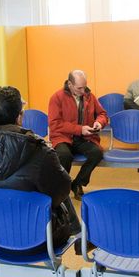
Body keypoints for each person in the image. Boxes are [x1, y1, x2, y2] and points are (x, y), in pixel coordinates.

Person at [0, 86, 80, 250]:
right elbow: (62, 190)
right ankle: (79, 236)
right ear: (19, 117)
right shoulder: (38, 148)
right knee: (55, 183)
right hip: (38, 233)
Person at [47, 70, 107, 199]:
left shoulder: (90, 96)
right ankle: (62, 187)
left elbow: (102, 114)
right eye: (79, 88)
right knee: (64, 155)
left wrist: (99, 123)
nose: (83, 91)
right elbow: (55, 124)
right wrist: (79, 129)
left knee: (97, 153)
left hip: (84, 138)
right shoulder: (56, 97)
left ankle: (77, 183)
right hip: (62, 137)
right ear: (70, 84)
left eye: (85, 87)